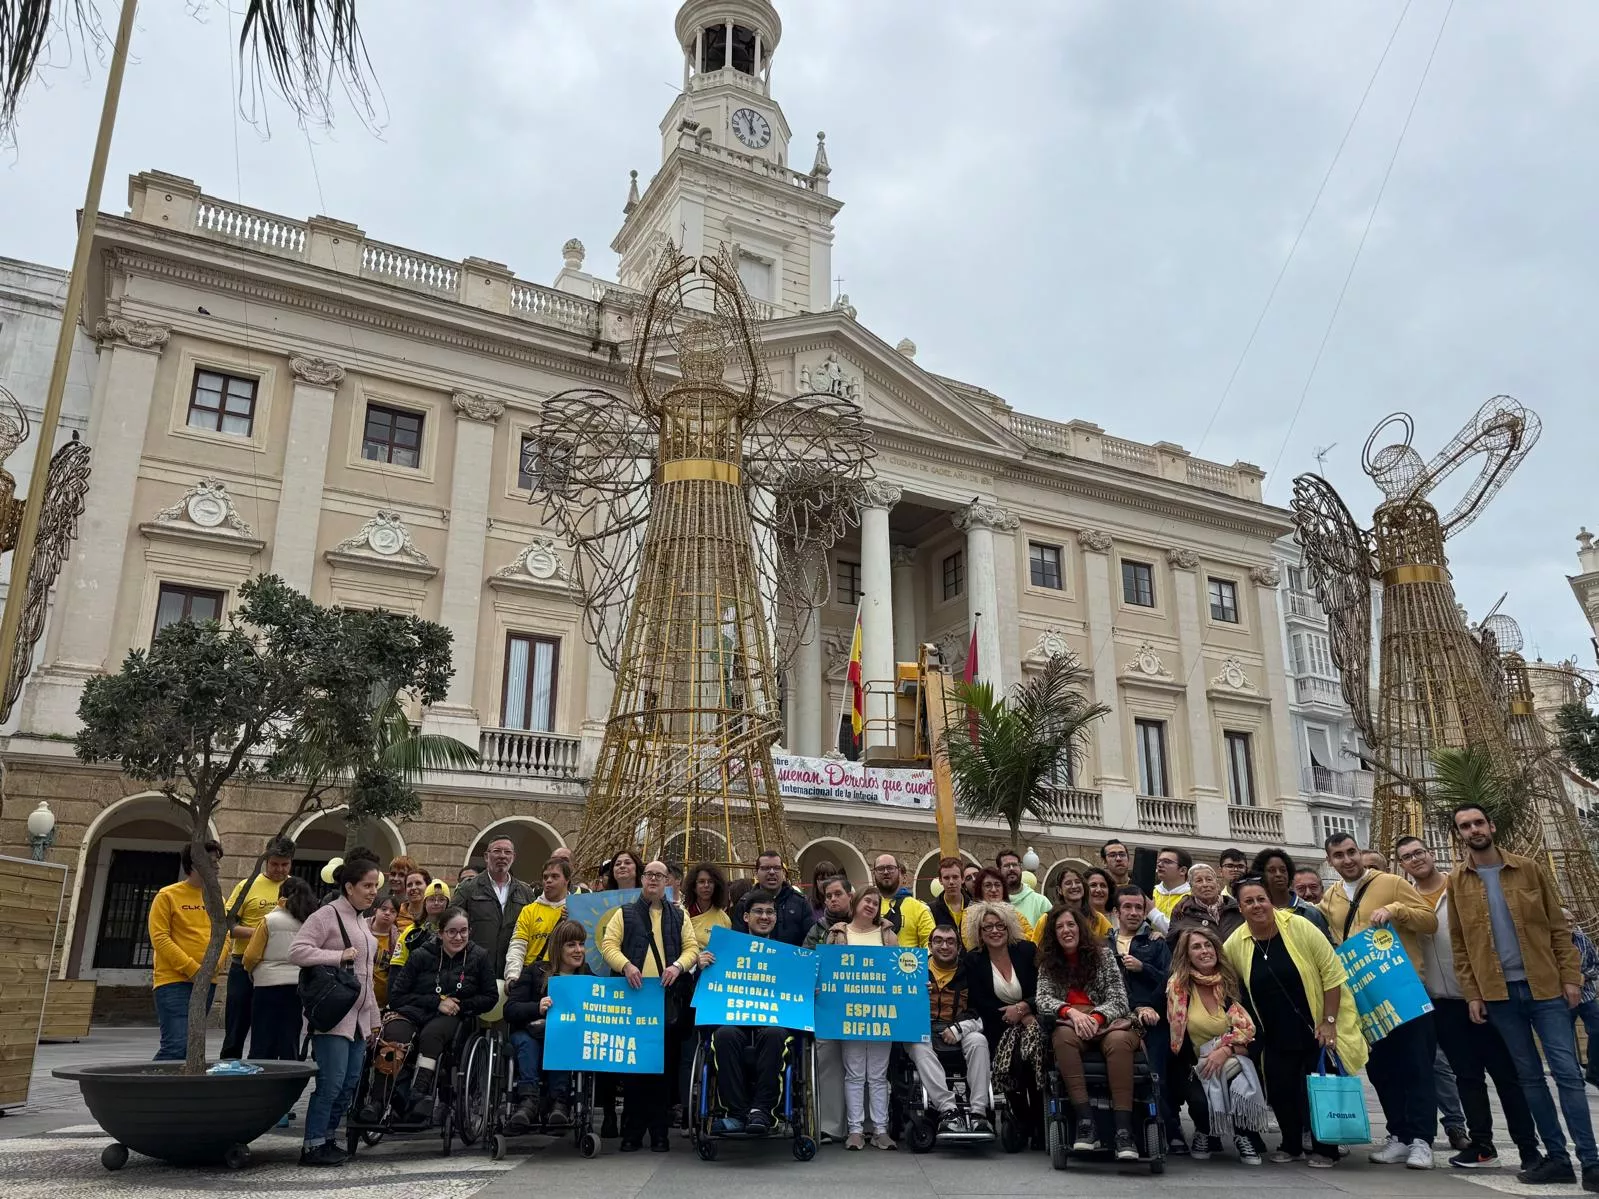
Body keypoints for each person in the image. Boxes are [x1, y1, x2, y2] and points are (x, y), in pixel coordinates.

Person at [1447, 803, 1599, 1190]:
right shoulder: (1457, 882)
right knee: (1529, 1077)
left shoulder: (1528, 869)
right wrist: (1473, 994)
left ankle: (1591, 1161)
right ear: (1459, 834)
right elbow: (1460, 945)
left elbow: (1557, 928)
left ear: (1491, 826)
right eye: (1465, 826)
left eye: (1478, 822)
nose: (1474, 829)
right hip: (1498, 995)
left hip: (1545, 987)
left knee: (1567, 1074)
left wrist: (1571, 978)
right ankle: (1557, 1159)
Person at [1396, 834, 1540, 1172]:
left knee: (1506, 1074)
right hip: (1440, 1001)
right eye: (1407, 857)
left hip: (1482, 994)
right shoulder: (1407, 899)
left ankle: (1528, 1147)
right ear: (1401, 865)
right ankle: (1481, 1144)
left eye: (1419, 852)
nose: (1415, 859)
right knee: (1467, 1076)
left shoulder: (1460, 886)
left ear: (1431, 854)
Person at [1224, 877, 1366, 1168]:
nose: (1256, 905)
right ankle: (1291, 1143)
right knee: (1281, 1088)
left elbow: (1333, 974)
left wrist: (1328, 1021)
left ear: (1270, 901)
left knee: (1319, 1086)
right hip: (1273, 1030)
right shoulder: (1236, 942)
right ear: (1240, 908)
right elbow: (1223, 978)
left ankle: (1326, 1148)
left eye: (1261, 899)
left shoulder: (1299, 926)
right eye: (1249, 901)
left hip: (1314, 1024)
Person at [1318, 830, 1439, 1169]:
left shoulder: (1390, 882)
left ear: (1360, 852)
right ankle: (1398, 1135)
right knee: (1382, 1070)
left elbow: (1429, 921)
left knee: (1417, 1067)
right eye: (1339, 855)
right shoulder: (1330, 898)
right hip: (1365, 998)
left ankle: (1421, 1140)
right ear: (1330, 861)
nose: (1347, 860)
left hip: (1405, 992)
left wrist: (1397, 909)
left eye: (1351, 852)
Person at [290, 849, 382, 1168]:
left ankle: (328, 1138)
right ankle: (313, 1144)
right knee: (331, 1082)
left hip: (358, 1021)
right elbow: (298, 951)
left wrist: (374, 1021)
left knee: (349, 1083)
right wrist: (337, 956)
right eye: (368, 886)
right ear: (349, 887)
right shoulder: (327, 915)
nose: (373, 891)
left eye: (375, 886)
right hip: (333, 1019)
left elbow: (366, 978)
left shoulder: (361, 920)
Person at [603, 859, 700, 1152]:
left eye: (661, 876)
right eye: (649, 875)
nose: (654, 880)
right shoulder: (625, 913)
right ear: (642, 879)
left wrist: (678, 967)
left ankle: (659, 1133)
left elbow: (692, 948)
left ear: (668, 881)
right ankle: (632, 1132)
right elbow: (609, 945)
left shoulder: (679, 915)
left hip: (665, 999)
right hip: (633, 999)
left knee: (663, 1069)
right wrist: (626, 966)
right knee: (633, 1071)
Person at [1037, 904, 1141, 1159]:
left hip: (1107, 1019)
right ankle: (1085, 1123)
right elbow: (1042, 998)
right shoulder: (1048, 963)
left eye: (1070, 925)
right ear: (1053, 933)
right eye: (1059, 927)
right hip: (1071, 1023)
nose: (1066, 930)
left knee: (1119, 1042)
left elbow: (1119, 998)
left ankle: (1124, 1130)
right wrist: (1070, 1012)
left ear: (1080, 928)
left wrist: (1096, 1016)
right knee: (1061, 1038)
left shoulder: (1104, 956)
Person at [698, 891, 801, 1135]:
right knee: (724, 1036)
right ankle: (737, 1113)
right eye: (759, 912)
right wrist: (700, 967)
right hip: (735, 1021)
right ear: (746, 916)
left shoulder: (787, 954)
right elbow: (706, 989)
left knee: (776, 1035)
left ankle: (761, 1111)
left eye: (770, 912)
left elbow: (798, 990)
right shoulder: (725, 950)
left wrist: (808, 989)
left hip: (773, 1023)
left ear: (775, 918)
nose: (764, 917)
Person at [1166, 927, 1268, 1165]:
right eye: (1196, 947)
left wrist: (1226, 1050)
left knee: (1239, 1088)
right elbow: (1153, 1009)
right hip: (1193, 1065)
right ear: (1186, 954)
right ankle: (1204, 1129)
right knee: (1201, 1103)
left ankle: (1243, 1135)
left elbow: (1257, 1033)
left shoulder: (1233, 984)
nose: (1204, 951)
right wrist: (1143, 1009)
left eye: (1208, 945)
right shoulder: (1177, 987)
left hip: (1235, 1059)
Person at [385, 907, 498, 1120]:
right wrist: (437, 1002)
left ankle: (419, 1093)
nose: (458, 937)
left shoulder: (479, 957)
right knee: (393, 1035)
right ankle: (381, 1099)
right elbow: (397, 996)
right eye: (452, 932)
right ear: (440, 933)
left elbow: (490, 997)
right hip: (415, 1011)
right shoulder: (421, 955)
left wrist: (460, 1005)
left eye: (463, 931)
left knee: (431, 1035)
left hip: (452, 1018)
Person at [963, 899, 1042, 1148]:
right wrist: (1013, 1015)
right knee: (1013, 1056)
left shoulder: (1027, 951)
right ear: (979, 932)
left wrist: (1025, 1008)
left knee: (1033, 1048)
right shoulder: (973, 960)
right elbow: (979, 1002)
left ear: (1009, 928)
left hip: (1033, 1021)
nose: (995, 931)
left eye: (1000, 926)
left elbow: (1043, 989)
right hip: (996, 1026)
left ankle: (1039, 1120)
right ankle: (1022, 1118)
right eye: (988, 927)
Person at [505, 919, 592, 1133]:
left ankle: (559, 1102)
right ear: (557, 947)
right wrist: (537, 1007)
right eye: (571, 945)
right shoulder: (535, 971)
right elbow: (510, 1009)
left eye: (581, 944)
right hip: (530, 1033)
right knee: (526, 1042)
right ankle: (528, 1101)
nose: (578, 950)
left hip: (563, 1039)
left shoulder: (587, 977)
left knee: (560, 1037)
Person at [1111, 886, 1180, 1153]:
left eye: (1139, 907)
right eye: (1127, 907)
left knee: (1155, 1077)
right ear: (1117, 912)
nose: (1133, 912)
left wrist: (1143, 968)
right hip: (1118, 1020)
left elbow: (1170, 981)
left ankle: (1168, 1131)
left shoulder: (1156, 942)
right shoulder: (1104, 944)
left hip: (1153, 1021)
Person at [908, 923, 993, 1132]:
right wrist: (915, 993)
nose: (944, 946)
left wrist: (958, 1028)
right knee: (916, 1043)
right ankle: (949, 1110)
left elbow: (980, 1009)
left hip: (959, 1027)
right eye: (938, 941)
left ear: (958, 947)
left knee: (979, 1041)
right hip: (924, 1028)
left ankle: (978, 1112)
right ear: (929, 945)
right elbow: (901, 1009)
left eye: (950, 941)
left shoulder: (970, 972)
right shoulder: (915, 970)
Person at [148, 839, 227, 1062]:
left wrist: (215, 966)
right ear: (195, 863)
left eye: (218, 861)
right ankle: (148, 1090)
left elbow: (225, 935)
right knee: (176, 1045)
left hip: (206, 981)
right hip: (174, 982)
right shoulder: (168, 896)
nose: (218, 867)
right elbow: (160, 938)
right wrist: (192, 969)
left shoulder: (216, 899)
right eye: (212, 861)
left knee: (191, 1045)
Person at [833, 886, 898, 1149]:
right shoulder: (838, 934)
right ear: (855, 902)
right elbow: (828, 969)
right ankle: (856, 1130)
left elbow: (898, 970)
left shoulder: (888, 935)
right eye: (866, 900)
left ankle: (881, 1130)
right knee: (854, 1073)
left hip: (882, 1012)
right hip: (849, 1012)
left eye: (875, 903)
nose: (871, 905)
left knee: (879, 1075)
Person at [221, 835, 296, 1061]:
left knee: (269, 1029)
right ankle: (228, 1067)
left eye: (285, 865)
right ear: (265, 859)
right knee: (236, 1026)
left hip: (278, 969)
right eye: (274, 864)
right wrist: (260, 933)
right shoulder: (247, 885)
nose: (279, 870)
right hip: (244, 965)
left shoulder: (294, 889)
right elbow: (228, 924)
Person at [243, 874, 317, 1061]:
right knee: (289, 1036)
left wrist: (250, 971)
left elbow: (251, 955)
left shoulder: (269, 920)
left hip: (267, 985)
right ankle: (287, 1079)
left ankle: (260, 1079)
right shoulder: (309, 921)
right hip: (296, 985)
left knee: (263, 1037)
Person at [452, 835, 534, 976]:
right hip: (475, 969)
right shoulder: (468, 888)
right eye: (497, 851)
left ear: (513, 857)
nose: (502, 856)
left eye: (507, 852)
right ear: (486, 856)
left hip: (512, 971)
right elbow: (450, 923)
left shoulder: (525, 892)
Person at [505, 857, 573, 982]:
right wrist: (513, 975)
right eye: (545, 877)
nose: (548, 881)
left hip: (564, 979)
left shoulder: (576, 909)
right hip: (532, 977)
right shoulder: (529, 910)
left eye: (555, 876)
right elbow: (517, 945)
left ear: (567, 880)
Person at [731, 850, 812, 945]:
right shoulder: (744, 902)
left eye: (777, 868)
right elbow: (737, 941)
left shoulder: (800, 902)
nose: (772, 872)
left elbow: (810, 941)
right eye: (766, 868)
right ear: (756, 873)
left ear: (783, 872)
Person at [1250, 847, 1332, 940]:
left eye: (1283, 870)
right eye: (1272, 870)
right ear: (1261, 874)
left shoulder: (1310, 912)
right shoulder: (1258, 912)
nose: (1278, 874)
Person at [872, 853, 935, 948]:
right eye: (880, 869)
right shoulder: (865, 906)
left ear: (899, 871)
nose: (885, 872)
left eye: (890, 868)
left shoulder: (919, 908)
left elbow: (931, 943)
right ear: (874, 874)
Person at [1167, 864, 1243, 941]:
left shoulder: (1237, 908)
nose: (1205, 884)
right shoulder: (1182, 911)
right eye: (1199, 881)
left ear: (1217, 884)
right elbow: (1173, 943)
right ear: (1191, 888)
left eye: (1209, 879)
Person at [391, 879, 452, 969]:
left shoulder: (453, 931)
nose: (436, 903)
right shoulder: (412, 931)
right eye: (431, 899)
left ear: (448, 903)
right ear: (425, 903)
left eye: (441, 899)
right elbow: (397, 963)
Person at [974, 866, 1033, 939]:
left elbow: (1031, 938)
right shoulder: (971, 916)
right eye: (988, 885)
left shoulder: (1015, 915)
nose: (993, 890)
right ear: (980, 890)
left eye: (997, 885)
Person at [997, 849, 1050, 927]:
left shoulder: (1041, 902)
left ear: (1021, 868)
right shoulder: (994, 902)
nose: (1011, 868)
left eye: (1015, 865)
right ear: (998, 870)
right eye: (1006, 866)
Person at [686, 861, 733, 945]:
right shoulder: (684, 914)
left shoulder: (724, 920)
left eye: (711, 881)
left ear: (716, 886)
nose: (706, 885)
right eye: (701, 881)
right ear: (693, 887)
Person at [804, 874, 854, 949]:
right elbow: (807, 957)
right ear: (825, 901)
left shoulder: (861, 923)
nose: (833, 899)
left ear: (850, 896)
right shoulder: (818, 928)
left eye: (838, 894)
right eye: (829, 896)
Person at [367, 892, 400, 1007]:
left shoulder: (398, 940)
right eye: (384, 909)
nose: (387, 913)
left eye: (393, 911)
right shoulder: (360, 930)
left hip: (383, 1002)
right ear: (375, 910)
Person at [1148, 847, 1192, 933]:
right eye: (1159, 861)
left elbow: (1181, 933)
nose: (1160, 865)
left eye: (1167, 862)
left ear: (1182, 870)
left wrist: (1152, 912)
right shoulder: (1151, 893)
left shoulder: (1192, 898)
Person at [929, 857, 970, 947]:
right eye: (946, 878)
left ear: (962, 879)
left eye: (955, 877)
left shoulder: (974, 907)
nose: (951, 882)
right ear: (940, 880)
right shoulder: (931, 910)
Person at [1083, 868, 1116, 934]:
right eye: (1093, 885)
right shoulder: (1078, 918)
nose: (1099, 890)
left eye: (1103, 886)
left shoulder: (1119, 917)